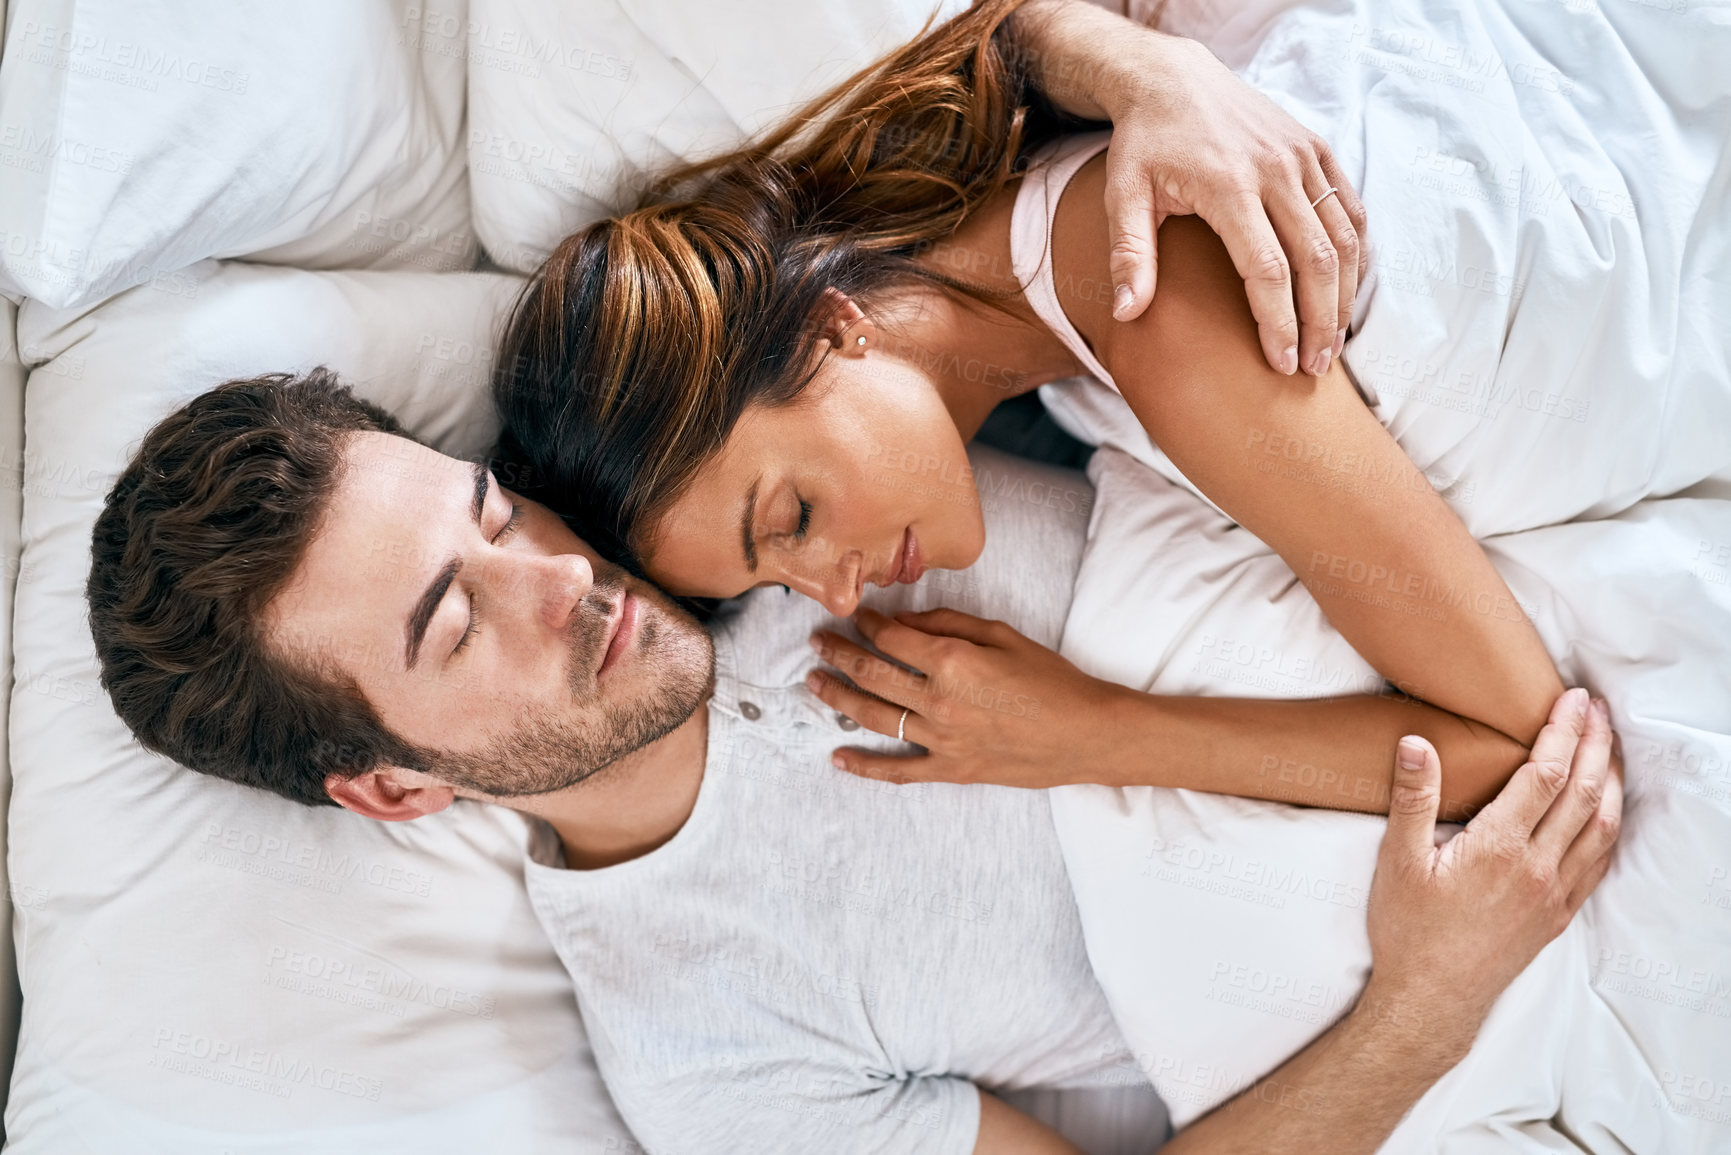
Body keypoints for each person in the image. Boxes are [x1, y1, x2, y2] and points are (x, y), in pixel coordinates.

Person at [85, 373, 1622, 1153]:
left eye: (488, 513)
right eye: (450, 620)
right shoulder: (703, 1050)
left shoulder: (720, 484)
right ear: (396, 785)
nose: (560, 579)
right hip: (1520, 960)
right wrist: (1432, 994)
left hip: (1525, 589)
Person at [492, 0, 1566, 811]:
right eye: (779, 584)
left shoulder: (1146, 301)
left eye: (792, 521)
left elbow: (1512, 746)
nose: (834, 591)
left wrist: (1094, 737)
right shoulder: (1064, 344)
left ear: (829, 332)